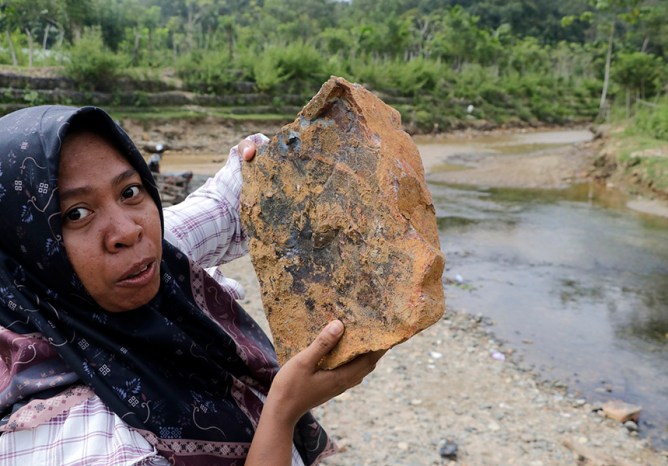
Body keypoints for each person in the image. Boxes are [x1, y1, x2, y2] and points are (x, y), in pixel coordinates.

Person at [0, 105, 384, 465]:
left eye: (129, 191)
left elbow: (224, 201)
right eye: (76, 213)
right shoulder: (82, 442)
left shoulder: (149, 263)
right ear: (25, 244)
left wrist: (272, 159)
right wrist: (283, 410)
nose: (128, 231)